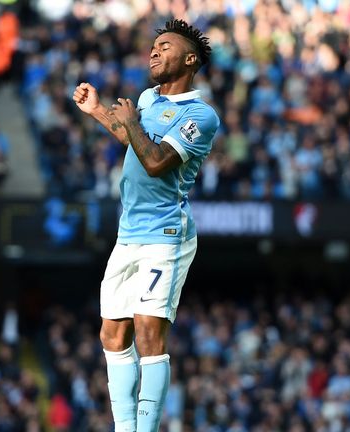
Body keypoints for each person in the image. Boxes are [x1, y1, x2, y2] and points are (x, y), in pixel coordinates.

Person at [73, 19, 220, 431]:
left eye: (165, 46)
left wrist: (133, 122)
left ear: (189, 60)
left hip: (165, 233)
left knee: (148, 333)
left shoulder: (199, 115)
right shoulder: (147, 99)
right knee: (112, 335)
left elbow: (155, 163)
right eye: (154, 46)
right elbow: (131, 140)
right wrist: (99, 111)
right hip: (129, 231)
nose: (154, 51)